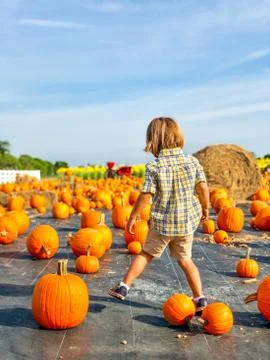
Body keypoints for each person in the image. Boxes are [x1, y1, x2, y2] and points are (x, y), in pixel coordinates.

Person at [109, 116, 209, 313]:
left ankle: (124, 286)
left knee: (146, 254)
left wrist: (133, 217)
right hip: (185, 223)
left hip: (163, 223)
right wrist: (206, 208)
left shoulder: (154, 167)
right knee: (185, 260)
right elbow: (203, 187)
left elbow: (146, 196)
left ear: (153, 141)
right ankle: (200, 298)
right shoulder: (192, 162)